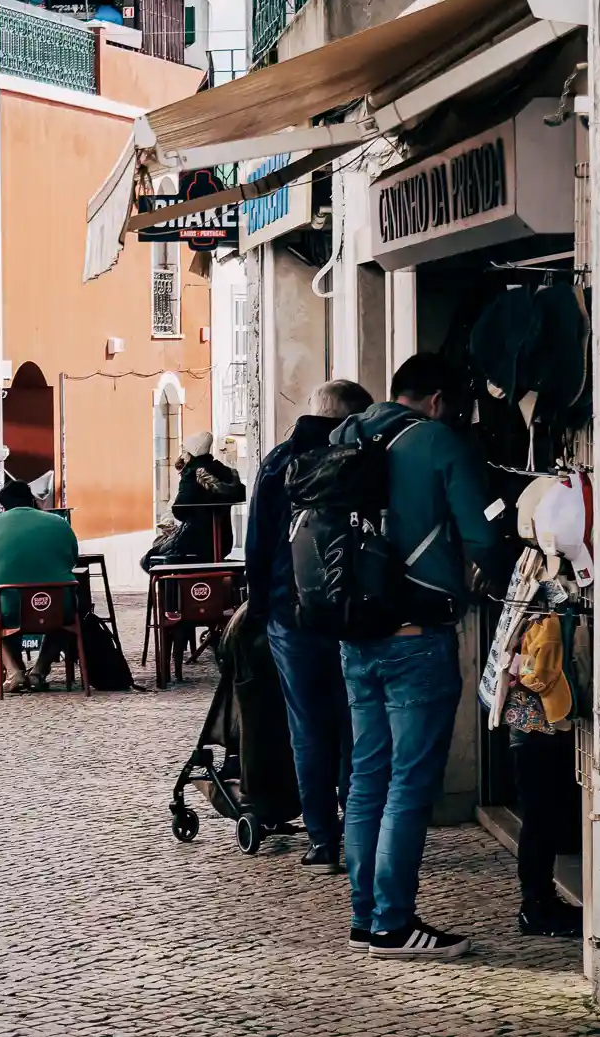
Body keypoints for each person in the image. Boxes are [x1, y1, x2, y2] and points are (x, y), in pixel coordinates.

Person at [335, 354, 511, 960]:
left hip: (355, 636)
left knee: (367, 778)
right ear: (437, 400)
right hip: (417, 638)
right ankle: (392, 923)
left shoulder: (348, 433)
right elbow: (485, 535)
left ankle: (367, 916)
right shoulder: (438, 442)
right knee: (409, 784)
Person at [245, 379, 372, 873]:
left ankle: (322, 841)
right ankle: (361, 830)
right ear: (350, 417)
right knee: (355, 725)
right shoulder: (362, 455)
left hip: (288, 616)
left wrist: (261, 607)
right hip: (350, 616)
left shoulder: (278, 461)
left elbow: (257, 542)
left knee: (308, 728)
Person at [0, 479, 80, 693]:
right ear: (32, 500)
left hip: (6, 606)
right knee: (68, 616)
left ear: (3, 507)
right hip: (54, 604)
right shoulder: (59, 522)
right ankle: (39, 671)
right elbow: (73, 560)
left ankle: (14, 671)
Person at [169, 431, 245, 562]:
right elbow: (242, 493)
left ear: (191, 453)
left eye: (185, 451)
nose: (183, 455)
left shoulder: (191, 475)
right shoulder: (226, 472)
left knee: (149, 559)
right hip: (224, 542)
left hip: (194, 542)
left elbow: (179, 511)